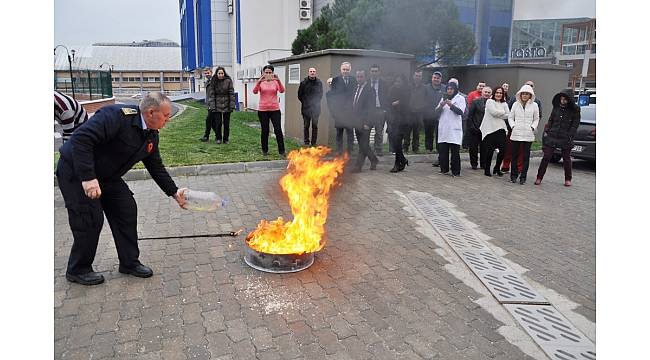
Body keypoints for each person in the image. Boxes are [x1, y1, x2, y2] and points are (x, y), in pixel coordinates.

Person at [56, 92, 186, 285]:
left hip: (108, 177)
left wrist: (174, 192)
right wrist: (88, 178)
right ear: (151, 112)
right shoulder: (116, 116)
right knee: (90, 219)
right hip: (77, 171)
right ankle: (78, 269)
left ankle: (129, 263)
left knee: (126, 210)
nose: (167, 120)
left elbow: (156, 167)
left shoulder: (150, 134)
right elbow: (81, 139)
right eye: (166, 116)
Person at [535, 92, 581, 186]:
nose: (563, 101)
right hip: (553, 135)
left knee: (566, 158)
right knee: (546, 157)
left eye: (565, 99)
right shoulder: (556, 107)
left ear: (569, 100)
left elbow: (575, 124)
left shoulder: (575, 110)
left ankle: (568, 179)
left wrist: (570, 135)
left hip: (566, 136)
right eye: (562, 99)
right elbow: (551, 120)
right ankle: (539, 177)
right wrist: (547, 130)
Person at [503, 80, 542, 173]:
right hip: (514, 131)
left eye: (531, 85)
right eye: (527, 85)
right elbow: (510, 115)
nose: (529, 87)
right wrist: (512, 126)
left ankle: (520, 170)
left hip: (528, 132)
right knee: (510, 150)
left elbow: (538, 117)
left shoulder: (536, 102)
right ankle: (506, 166)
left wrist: (532, 127)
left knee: (523, 154)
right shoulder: (514, 100)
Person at [253, 65, 286, 156]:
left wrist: (278, 80)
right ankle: (265, 150)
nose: (268, 74)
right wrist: (259, 81)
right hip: (263, 110)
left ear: (272, 73)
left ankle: (282, 151)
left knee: (278, 130)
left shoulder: (275, 82)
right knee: (265, 130)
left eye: (270, 72)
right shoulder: (261, 82)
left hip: (275, 109)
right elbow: (255, 91)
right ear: (263, 73)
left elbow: (282, 90)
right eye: (266, 72)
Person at [434, 82, 466, 176]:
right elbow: (436, 112)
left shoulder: (460, 98)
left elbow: (461, 112)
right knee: (443, 151)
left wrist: (451, 105)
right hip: (444, 128)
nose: (449, 90)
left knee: (454, 152)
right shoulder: (443, 98)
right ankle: (444, 169)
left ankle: (456, 171)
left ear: (455, 89)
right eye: (448, 89)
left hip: (454, 129)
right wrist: (441, 105)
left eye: (451, 89)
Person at [350, 70, 379, 173]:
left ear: (365, 77)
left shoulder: (370, 90)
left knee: (363, 145)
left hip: (366, 122)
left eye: (361, 76)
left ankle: (358, 166)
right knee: (363, 144)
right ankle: (374, 159)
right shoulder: (356, 88)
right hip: (356, 121)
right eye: (358, 76)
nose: (359, 78)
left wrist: (367, 122)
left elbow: (371, 108)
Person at [326, 62, 357, 155]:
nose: (345, 71)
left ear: (350, 70)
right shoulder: (335, 80)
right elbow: (332, 97)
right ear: (341, 69)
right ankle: (339, 150)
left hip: (350, 112)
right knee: (339, 132)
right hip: (339, 112)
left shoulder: (354, 80)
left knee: (350, 132)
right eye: (344, 69)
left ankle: (350, 150)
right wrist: (334, 113)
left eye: (347, 70)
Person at [479, 86, 510, 177]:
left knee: (503, 150)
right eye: (497, 92)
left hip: (501, 129)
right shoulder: (489, 101)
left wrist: (499, 113)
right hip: (490, 129)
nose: (499, 94)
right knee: (490, 151)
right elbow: (493, 112)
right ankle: (487, 169)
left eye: (500, 93)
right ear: (494, 93)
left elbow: (508, 115)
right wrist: (502, 113)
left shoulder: (504, 104)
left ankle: (497, 168)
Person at [465, 86, 492, 170]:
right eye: (485, 92)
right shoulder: (475, 102)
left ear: (491, 94)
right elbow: (470, 116)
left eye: (488, 92)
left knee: (485, 148)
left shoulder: (492, 103)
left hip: (486, 130)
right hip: (475, 128)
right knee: (473, 148)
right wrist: (472, 127)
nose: (487, 94)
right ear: (482, 92)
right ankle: (474, 163)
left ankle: (483, 164)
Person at [388, 75, 410, 173]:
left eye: (399, 81)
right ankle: (403, 160)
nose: (397, 83)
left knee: (398, 142)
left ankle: (397, 164)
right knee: (395, 143)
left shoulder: (406, 91)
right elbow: (387, 102)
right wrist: (392, 104)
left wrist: (400, 102)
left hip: (402, 120)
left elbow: (408, 103)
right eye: (396, 81)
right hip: (393, 119)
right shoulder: (391, 90)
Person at [208, 66, 236, 144]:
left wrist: (232, 105)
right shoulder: (213, 82)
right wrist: (213, 106)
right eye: (219, 73)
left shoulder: (228, 81)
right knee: (218, 123)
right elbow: (212, 95)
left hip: (227, 104)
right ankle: (218, 138)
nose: (220, 75)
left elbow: (231, 93)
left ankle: (226, 139)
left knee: (226, 124)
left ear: (224, 73)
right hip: (217, 105)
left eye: (222, 73)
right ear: (216, 74)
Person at [297, 67, 323, 146]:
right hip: (306, 109)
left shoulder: (319, 83)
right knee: (306, 126)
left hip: (316, 109)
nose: (312, 73)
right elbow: (299, 95)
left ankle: (314, 142)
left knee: (315, 126)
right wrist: (305, 102)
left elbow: (321, 94)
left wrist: (315, 103)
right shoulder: (303, 83)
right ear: (308, 72)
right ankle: (306, 142)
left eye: (314, 71)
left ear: (315, 73)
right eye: (311, 71)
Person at [368, 64, 390, 155]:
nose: (374, 73)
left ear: (379, 72)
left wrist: (385, 109)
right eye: (372, 71)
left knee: (379, 131)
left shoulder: (384, 83)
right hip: (368, 110)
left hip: (379, 110)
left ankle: (378, 149)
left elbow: (387, 97)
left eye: (376, 71)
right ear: (370, 72)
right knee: (366, 130)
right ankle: (366, 149)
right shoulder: (366, 82)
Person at [404, 70, 427, 153]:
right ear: (413, 76)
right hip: (409, 112)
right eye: (416, 76)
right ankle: (405, 147)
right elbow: (405, 98)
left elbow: (426, 99)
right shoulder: (408, 86)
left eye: (419, 76)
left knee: (416, 132)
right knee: (407, 132)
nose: (418, 77)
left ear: (421, 77)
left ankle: (415, 148)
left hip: (419, 113)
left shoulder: (424, 87)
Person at [424, 71, 444, 157]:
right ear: (432, 78)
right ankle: (429, 148)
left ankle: (439, 148)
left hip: (441, 114)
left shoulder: (444, 88)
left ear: (440, 79)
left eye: (438, 78)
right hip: (428, 113)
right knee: (428, 132)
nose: (436, 79)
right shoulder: (426, 87)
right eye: (434, 77)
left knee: (439, 132)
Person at [200, 67, 216, 142]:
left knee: (208, 120)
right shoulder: (207, 82)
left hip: (214, 104)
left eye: (208, 73)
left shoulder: (214, 81)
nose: (207, 74)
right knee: (212, 122)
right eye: (205, 73)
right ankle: (218, 135)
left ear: (211, 72)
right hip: (209, 104)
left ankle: (206, 136)